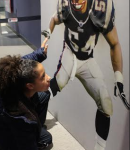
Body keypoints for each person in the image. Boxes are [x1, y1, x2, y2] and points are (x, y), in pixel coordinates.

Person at [41, 0, 129, 150]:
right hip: (70, 53)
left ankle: (99, 148)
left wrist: (118, 79)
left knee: (106, 105)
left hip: (88, 60)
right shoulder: (66, 7)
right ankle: (32, 118)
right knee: (56, 84)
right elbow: (54, 19)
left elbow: (114, 44)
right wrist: (48, 33)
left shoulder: (100, 10)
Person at [0, 38, 53, 150]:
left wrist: (40, 53)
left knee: (44, 95)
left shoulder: (9, 79)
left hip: (7, 127)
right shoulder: (21, 119)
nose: (48, 78)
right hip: (8, 142)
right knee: (47, 138)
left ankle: (38, 127)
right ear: (30, 85)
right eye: (43, 76)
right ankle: (36, 131)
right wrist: (32, 129)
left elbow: (22, 63)